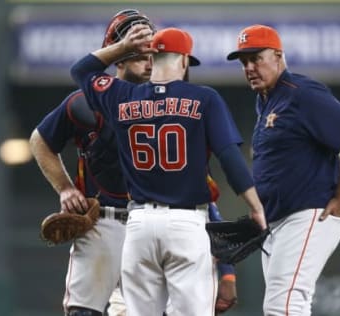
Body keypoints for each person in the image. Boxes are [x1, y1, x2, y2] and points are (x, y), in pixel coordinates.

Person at [70, 25, 267, 316]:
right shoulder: (204, 98)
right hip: (186, 224)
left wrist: (123, 47)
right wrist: (255, 207)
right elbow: (229, 158)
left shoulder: (122, 96)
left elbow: (81, 70)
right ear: (185, 60)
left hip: (138, 226)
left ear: (152, 58)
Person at [226, 24, 340, 315]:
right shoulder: (265, 101)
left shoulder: (301, 93)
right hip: (279, 223)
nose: (249, 67)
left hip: (308, 214)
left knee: (284, 306)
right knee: (288, 305)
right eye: (244, 62)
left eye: (257, 58)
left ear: (278, 56)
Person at [29, 9, 154, 316]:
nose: (148, 61)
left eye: (152, 53)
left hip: (153, 223)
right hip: (101, 222)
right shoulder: (84, 102)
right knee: (83, 312)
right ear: (119, 57)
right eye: (138, 53)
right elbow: (39, 140)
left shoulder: (169, 102)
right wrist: (65, 189)